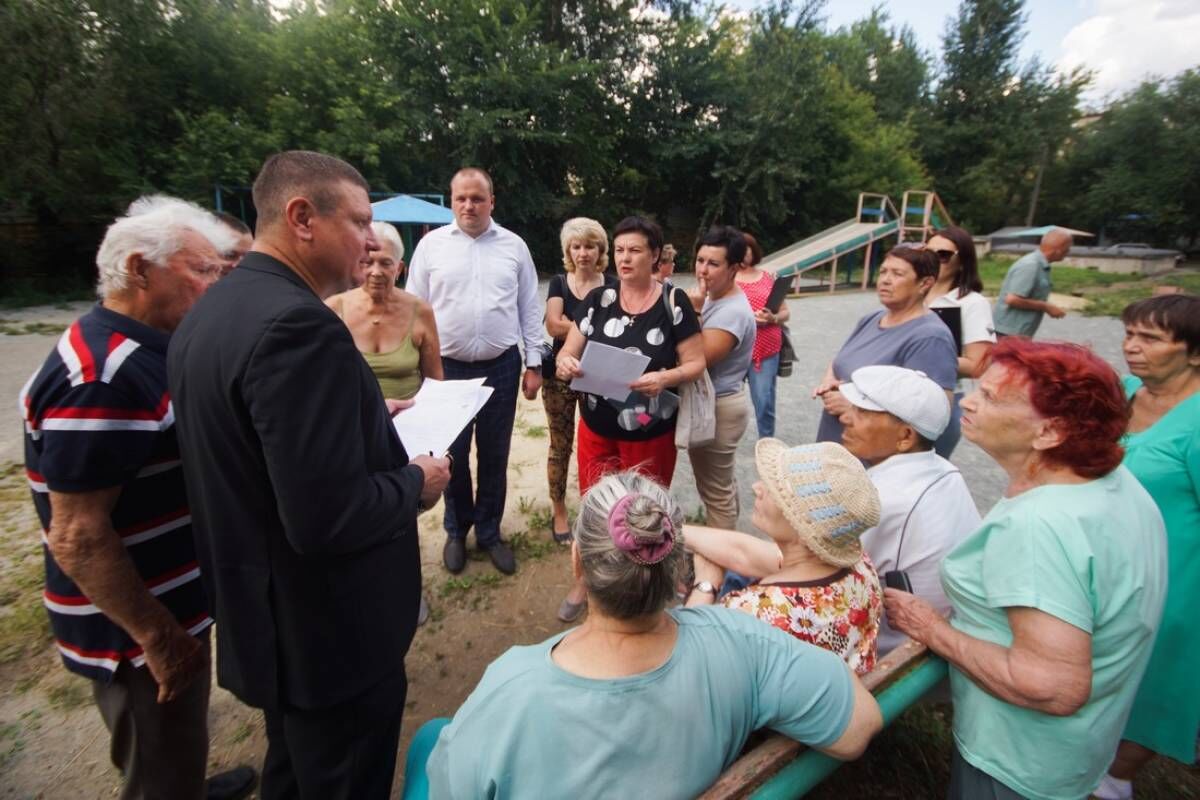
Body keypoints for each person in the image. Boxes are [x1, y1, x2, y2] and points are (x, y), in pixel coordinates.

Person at [168, 151, 452, 799]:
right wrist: (417, 481)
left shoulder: (215, 310)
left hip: (267, 620)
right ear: (302, 217)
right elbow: (327, 516)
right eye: (359, 222)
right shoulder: (300, 326)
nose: (371, 242)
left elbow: (255, 444)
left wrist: (360, 414)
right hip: (328, 638)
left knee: (296, 772)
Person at [424, 471, 883, 799]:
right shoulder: (743, 640)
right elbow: (860, 727)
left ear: (578, 564)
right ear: (672, 566)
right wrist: (706, 588)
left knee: (430, 737)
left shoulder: (510, 691)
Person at [20, 196, 255, 800]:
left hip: (172, 599)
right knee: (158, 766)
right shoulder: (103, 374)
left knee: (179, 742)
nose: (213, 284)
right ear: (138, 270)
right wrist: (158, 637)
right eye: (200, 271)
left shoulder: (152, 347)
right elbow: (78, 533)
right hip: (135, 628)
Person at [885, 338, 1168, 800]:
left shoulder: (1041, 527)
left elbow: (1052, 687)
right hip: (1077, 750)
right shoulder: (1115, 482)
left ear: (1050, 433)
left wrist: (932, 629)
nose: (969, 401)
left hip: (1017, 762)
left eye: (992, 398)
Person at [553, 216, 705, 621]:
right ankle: (586, 580)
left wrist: (665, 377)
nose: (624, 258)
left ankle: (649, 581)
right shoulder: (598, 300)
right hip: (598, 427)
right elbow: (566, 351)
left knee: (645, 511)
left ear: (655, 255)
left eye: (635, 250)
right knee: (595, 506)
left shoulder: (675, 304)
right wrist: (566, 363)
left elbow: (696, 362)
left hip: (650, 430)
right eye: (619, 250)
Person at [406, 167, 543, 576]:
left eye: (477, 198)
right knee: (452, 456)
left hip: (501, 365)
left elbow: (529, 308)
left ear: (492, 202)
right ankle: (456, 530)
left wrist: (534, 363)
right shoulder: (431, 247)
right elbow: (414, 308)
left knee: (495, 454)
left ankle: (489, 531)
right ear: (451, 200)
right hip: (446, 369)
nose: (469, 205)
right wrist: (418, 368)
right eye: (461, 198)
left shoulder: (514, 247)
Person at [1096, 294, 1200, 800]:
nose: (1131, 347)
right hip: (1109, 561)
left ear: (1195, 352)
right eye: (1129, 333)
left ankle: (1118, 776)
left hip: (1176, 575)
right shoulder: (1125, 391)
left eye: (1150, 339)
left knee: (1159, 673)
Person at [684, 440, 883, 675]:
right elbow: (742, 552)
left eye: (774, 489)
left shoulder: (754, 611)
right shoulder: (861, 569)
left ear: (801, 531)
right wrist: (671, 529)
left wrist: (705, 584)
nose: (757, 487)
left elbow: (686, 662)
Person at [837, 365, 979, 655]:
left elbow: (812, 565)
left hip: (892, 649)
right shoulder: (944, 470)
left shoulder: (880, 498)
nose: (845, 418)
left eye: (862, 413)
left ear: (905, 436)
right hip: (942, 632)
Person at [814, 244, 957, 446]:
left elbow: (935, 413)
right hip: (836, 442)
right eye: (883, 272)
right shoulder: (872, 319)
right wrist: (829, 383)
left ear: (925, 283)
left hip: (874, 457)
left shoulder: (931, 337)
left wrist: (852, 406)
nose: (885, 280)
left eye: (897, 274)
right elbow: (840, 361)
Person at [542, 217, 615, 542]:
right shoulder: (559, 282)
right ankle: (559, 509)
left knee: (599, 444)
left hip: (597, 374)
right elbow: (552, 325)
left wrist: (573, 325)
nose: (583, 252)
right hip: (559, 374)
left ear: (600, 249)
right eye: (576, 246)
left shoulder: (612, 284)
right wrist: (589, 326)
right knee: (560, 445)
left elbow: (567, 325)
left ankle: (598, 507)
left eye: (590, 246)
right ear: (568, 250)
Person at [684, 225, 755, 529]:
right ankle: (728, 554)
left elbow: (695, 358)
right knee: (721, 485)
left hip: (720, 407)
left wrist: (695, 312)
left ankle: (721, 569)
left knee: (716, 493)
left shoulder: (732, 312)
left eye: (713, 264)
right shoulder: (715, 295)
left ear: (735, 269)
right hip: (717, 402)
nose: (703, 270)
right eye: (700, 260)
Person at [326, 221, 442, 402]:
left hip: (408, 422)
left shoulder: (420, 311)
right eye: (367, 262)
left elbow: (434, 381)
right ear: (357, 264)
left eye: (386, 263)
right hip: (352, 421)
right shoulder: (333, 309)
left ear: (399, 268)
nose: (376, 272)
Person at [924, 226, 995, 458]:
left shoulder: (972, 303)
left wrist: (924, 358)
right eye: (927, 252)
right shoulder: (912, 294)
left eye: (943, 254)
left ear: (963, 261)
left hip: (943, 398)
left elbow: (979, 365)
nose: (933, 259)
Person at [735, 231, 789, 438]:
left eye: (747, 249)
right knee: (726, 401)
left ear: (754, 251)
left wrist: (772, 318)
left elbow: (785, 312)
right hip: (734, 350)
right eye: (739, 249)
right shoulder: (726, 277)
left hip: (766, 349)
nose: (744, 254)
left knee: (764, 401)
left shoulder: (768, 277)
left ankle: (767, 442)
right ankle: (723, 441)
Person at [991, 228, 1072, 339]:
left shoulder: (1040, 265)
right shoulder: (1031, 265)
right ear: (1059, 249)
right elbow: (1012, 299)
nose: (1068, 252)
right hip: (1008, 334)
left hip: (1016, 333)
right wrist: (1046, 307)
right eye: (1067, 249)